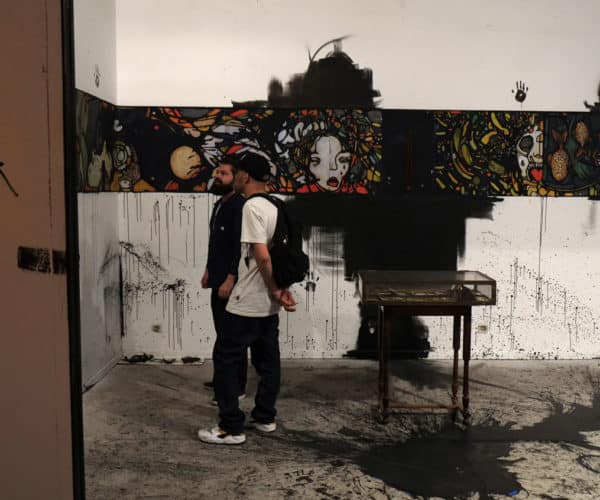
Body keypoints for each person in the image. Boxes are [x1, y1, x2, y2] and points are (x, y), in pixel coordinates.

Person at [198, 153, 297, 445]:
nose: (235, 177)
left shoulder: (251, 207)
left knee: (226, 357)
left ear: (244, 176)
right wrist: (280, 289)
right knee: (268, 360)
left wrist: (275, 289)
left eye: (237, 172)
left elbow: (263, 257)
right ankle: (265, 417)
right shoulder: (275, 204)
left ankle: (231, 428)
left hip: (250, 299)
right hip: (268, 303)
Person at [200, 156, 247, 399]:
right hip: (216, 278)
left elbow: (239, 248)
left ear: (236, 178)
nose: (217, 176)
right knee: (222, 333)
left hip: (230, 283)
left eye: (223, 173)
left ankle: (237, 388)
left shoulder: (239, 206)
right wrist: (208, 270)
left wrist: (231, 278)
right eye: (217, 172)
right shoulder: (220, 204)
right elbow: (215, 243)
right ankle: (223, 378)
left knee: (233, 337)